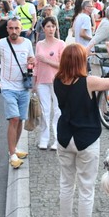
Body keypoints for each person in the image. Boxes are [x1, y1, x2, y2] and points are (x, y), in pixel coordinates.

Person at [54, 42, 109, 217]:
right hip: (86, 139)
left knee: (66, 183)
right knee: (86, 189)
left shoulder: (57, 79)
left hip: (65, 137)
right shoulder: (88, 82)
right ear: (81, 61)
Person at [0, 17, 35, 169]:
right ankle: (12, 154)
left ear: (21, 28)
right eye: (11, 28)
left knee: (20, 119)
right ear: (7, 29)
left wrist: (32, 62)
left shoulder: (27, 43)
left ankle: (14, 149)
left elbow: (31, 60)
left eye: (16, 28)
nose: (14, 31)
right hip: (8, 87)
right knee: (14, 118)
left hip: (24, 87)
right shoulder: (0, 44)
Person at [34, 16, 65, 151]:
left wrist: (46, 60)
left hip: (57, 81)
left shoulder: (61, 44)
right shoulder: (39, 44)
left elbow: (63, 65)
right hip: (42, 81)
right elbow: (36, 64)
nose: (51, 29)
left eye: (53, 26)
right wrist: (34, 82)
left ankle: (58, 139)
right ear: (43, 28)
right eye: (48, 26)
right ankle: (44, 138)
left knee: (58, 111)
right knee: (44, 111)